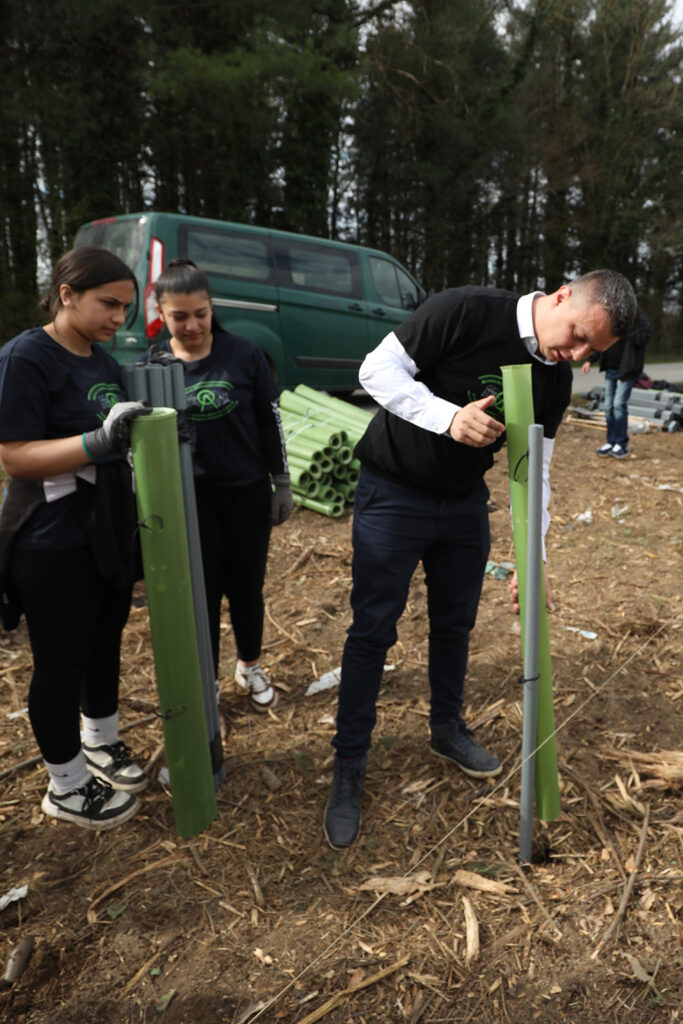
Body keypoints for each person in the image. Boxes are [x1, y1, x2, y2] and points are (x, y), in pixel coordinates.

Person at [324, 270, 637, 850]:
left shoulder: (556, 378)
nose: (578, 355)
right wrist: (447, 416)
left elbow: (535, 471)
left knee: (455, 625)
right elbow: (375, 371)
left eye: (594, 350)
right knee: (372, 630)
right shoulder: (464, 309)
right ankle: (350, 763)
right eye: (577, 336)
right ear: (563, 295)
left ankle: (446, 727)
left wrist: (532, 559)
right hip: (394, 491)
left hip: (465, 505)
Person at [0, 247, 150, 830]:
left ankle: (100, 742)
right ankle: (65, 783)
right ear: (66, 294)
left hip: (101, 531)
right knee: (60, 663)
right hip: (49, 536)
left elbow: (118, 435)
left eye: (126, 307)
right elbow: (14, 454)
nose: (120, 317)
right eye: (108, 304)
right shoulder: (24, 358)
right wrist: (97, 443)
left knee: (103, 641)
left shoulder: (101, 361)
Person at [149, 259, 293, 712]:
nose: (192, 325)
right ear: (161, 314)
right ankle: (205, 679)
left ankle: (249, 664)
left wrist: (281, 480)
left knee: (247, 587)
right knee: (203, 593)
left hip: (246, 493)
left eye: (201, 313)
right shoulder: (153, 367)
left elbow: (271, 421)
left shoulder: (244, 354)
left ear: (212, 309)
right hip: (189, 501)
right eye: (179, 316)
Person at [581, 305, 650, 458]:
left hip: (628, 369)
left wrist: (626, 331)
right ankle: (611, 442)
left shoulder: (637, 315)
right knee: (609, 407)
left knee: (619, 405)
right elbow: (601, 340)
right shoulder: (611, 315)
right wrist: (590, 360)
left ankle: (621, 444)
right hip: (610, 369)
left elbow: (644, 336)